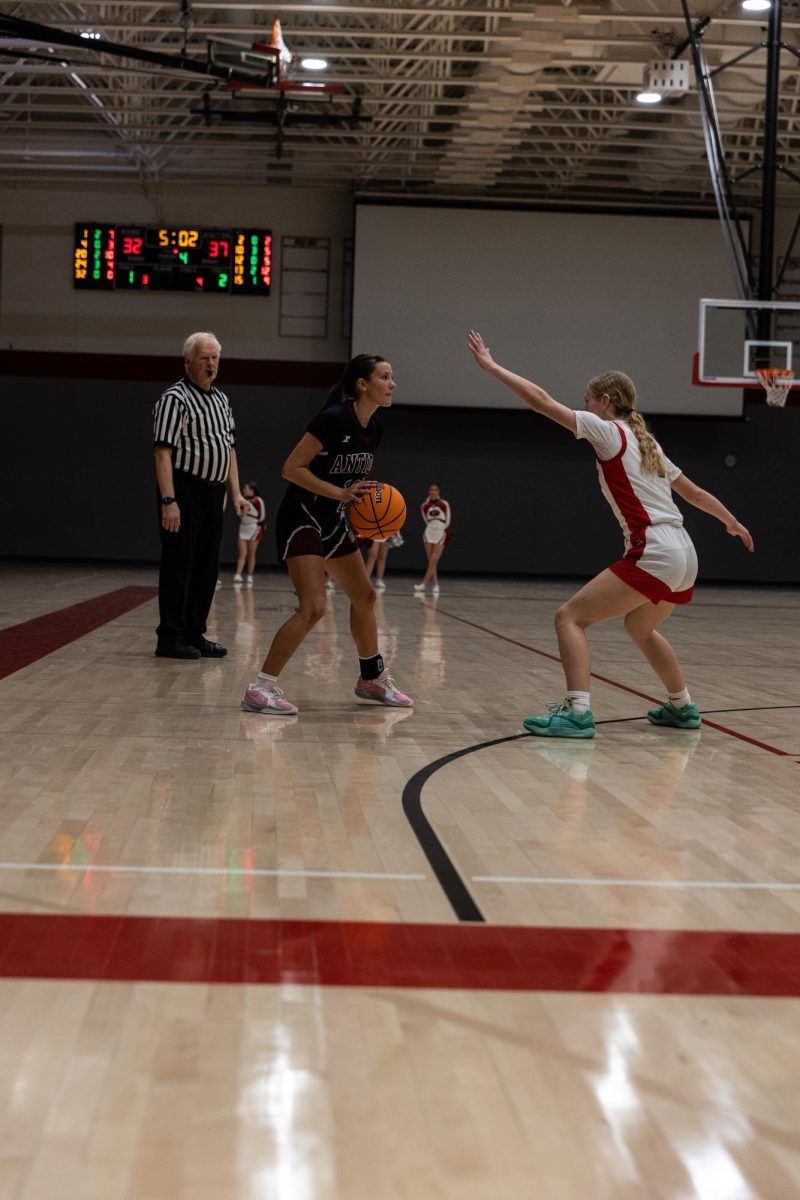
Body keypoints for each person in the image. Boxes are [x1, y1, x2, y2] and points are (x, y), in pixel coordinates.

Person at [467, 329, 754, 739]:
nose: (584, 407)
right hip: (685, 555)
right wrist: (731, 521)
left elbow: (541, 402)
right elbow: (691, 493)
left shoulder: (608, 430)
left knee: (569, 617)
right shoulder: (647, 441)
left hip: (654, 548)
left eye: (587, 400)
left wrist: (493, 368)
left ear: (605, 402)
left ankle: (578, 713)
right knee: (640, 627)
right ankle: (682, 706)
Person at [241, 354, 414, 715]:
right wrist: (341, 494)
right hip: (302, 517)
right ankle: (260, 688)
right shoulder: (333, 419)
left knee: (364, 597)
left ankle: (371, 678)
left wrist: (368, 505)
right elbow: (290, 468)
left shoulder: (375, 428)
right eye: (385, 376)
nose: (392, 383)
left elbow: (349, 481)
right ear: (362, 384)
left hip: (333, 518)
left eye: (392, 376)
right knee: (314, 607)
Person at [153, 331, 248, 659]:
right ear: (188, 361)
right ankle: (170, 637)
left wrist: (235, 493)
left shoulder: (221, 399)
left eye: (215, 358)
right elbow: (163, 453)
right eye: (205, 358)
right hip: (184, 489)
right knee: (180, 565)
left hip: (213, 494)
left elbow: (229, 448)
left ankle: (195, 633)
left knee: (207, 567)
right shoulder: (174, 399)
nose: (211, 364)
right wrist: (169, 500)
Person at [413, 483, 452, 596]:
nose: (433, 491)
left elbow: (448, 519)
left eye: (435, 490)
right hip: (429, 531)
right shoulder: (424, 505)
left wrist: (442, 529)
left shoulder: (444, 504)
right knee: (430, 560)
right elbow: (426, 519)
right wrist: (432, 527)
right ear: (429, 491)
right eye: (431, 489)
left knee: (434, 559)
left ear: (438, 491)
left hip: (440, 531)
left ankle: (424, 583)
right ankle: (436, 585)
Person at [234, 481, 265, 583]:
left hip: (254, 528)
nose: (243, 490)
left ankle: (249, 575)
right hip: (243, 528)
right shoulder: (243, 501)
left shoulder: (258, 500)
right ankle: (238, 574)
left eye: (245, 488)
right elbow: (240, 514)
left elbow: (262, 516)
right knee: (242, 553)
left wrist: (261, 525)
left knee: (251, 553)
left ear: (252, 490)